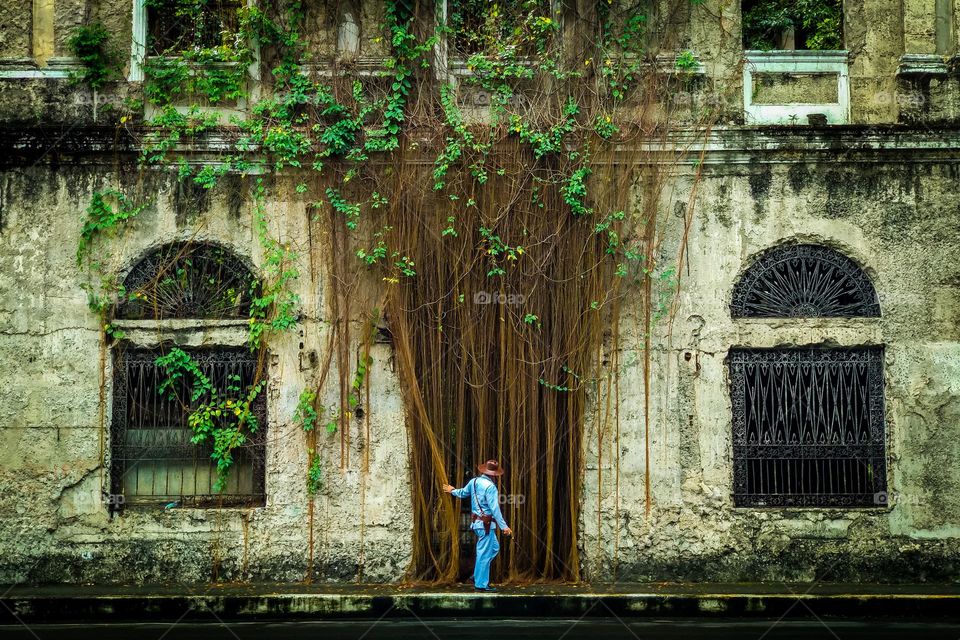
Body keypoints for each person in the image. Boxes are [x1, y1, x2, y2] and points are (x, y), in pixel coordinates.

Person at [443, 459, 513, 592]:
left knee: (494, 548)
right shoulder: (490, 487)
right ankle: (481, 585)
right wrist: (504, 527)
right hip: (486, 525)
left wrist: (452, 490)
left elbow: (463, 493)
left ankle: (477, 575)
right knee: (484, 554)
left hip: (477, 524)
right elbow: (495, 509)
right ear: (494, 474)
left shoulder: (474, 482)